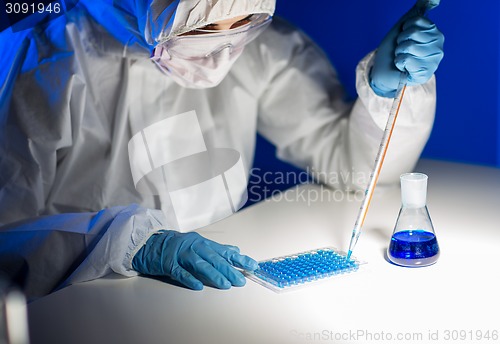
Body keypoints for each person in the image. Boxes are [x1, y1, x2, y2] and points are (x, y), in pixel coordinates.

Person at [0, 0, 444, 299]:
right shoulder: (41, 60)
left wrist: (386, 92)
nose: (220, 55)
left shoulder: (259, 46)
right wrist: (125, 243)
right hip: (84, 303)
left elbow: (357, 171)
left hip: (220, 291)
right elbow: (8, 237)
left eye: (244, 23)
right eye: (205, 28)